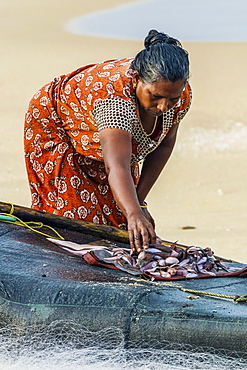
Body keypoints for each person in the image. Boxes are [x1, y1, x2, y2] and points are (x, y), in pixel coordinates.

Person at [24, 29, 192, 253]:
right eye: (155, 96)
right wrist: (133, 213)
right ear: (138, 80)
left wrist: (139, 204)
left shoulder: (180, 95)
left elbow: (164, 145)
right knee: (75, 223)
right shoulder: (115, 101)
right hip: (56, 125)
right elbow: (117, 166)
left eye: (171, 98)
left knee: (119, 215)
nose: (163, 106)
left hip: (113, 134)